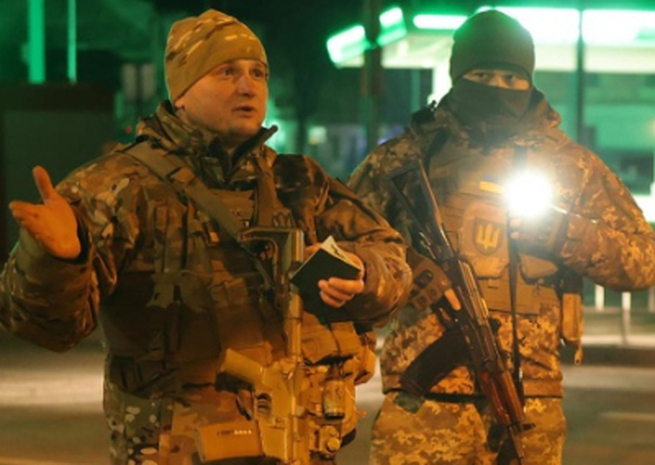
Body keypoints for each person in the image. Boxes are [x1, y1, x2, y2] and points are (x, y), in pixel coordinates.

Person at [0, 9, 412, 465]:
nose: (247, 86)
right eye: (227, 72)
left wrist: (364, 273)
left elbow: (392, 261)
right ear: (181, 93)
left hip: (300, 445)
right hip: (177, 452)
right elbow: (46, 327)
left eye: (258, 73)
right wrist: (55, 261)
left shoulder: (300, 183)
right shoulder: (118, 187)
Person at [348, 9, 655, 465]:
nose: (497, 87)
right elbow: (343, 250)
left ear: (529, 81)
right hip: (422, 404)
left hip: (529, 400)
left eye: (511, 78)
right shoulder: (405, 159)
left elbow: (643, 261)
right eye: (482, 75)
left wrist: (562, 232)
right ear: (458, 77)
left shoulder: (570, 165)